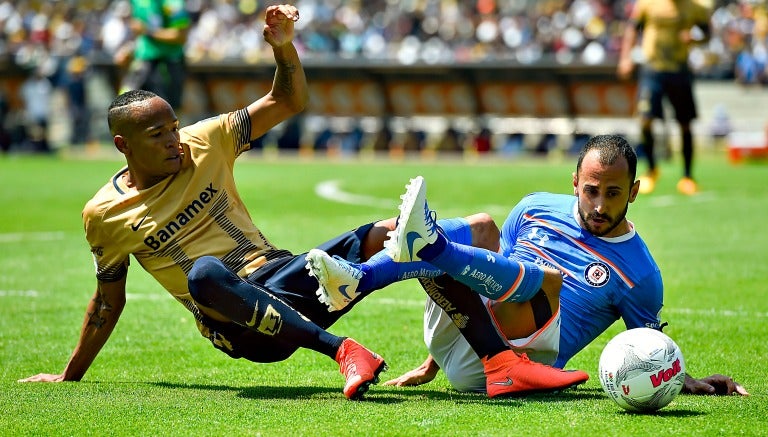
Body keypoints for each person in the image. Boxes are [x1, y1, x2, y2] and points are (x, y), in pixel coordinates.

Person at [18, 4, 589, 401]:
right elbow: (106, 299)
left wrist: (284, 49)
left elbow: (287, 99)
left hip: (286, 275)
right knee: (205, 274)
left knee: (400, 232)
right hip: (238, 324)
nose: (174, 140)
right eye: (157, 135)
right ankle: (341, 349)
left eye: (173, 126)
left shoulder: (204, 140)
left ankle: (500, 363)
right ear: (123, 146)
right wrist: (70, 375)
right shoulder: (105, 215)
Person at [306, 134, 748, 396]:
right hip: (463, 334)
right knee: (481, 227)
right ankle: (360, 279)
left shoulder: (642, 275)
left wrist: (683, 378)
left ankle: (429, 245)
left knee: (546, 282)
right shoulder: (535, 207)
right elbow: (486, 267)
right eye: (591, 190)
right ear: (575, 182)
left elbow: (649, 345)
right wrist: (433, 361)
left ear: (633, 192)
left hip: (520, 360)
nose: (599, 204)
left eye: (613, 194)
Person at [617, 0, 711, 196]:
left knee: (685, 123)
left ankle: (687, 176)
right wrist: (625, 58)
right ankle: (651, 170)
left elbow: (707, 32)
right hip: (653, 69)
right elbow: (633, 28)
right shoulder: (648, 4)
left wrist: (694, 39)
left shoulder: (696, 7)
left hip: (679, 70)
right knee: (645, 119)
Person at [117, 0, 191, 112]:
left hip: (167, 63)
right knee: (124, 105)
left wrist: (147, 30)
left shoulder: (174, 3)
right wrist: (128, 49)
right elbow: (138, 33)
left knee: (166, 111)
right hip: (143, 61)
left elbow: (181, 36)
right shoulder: (137, 2)